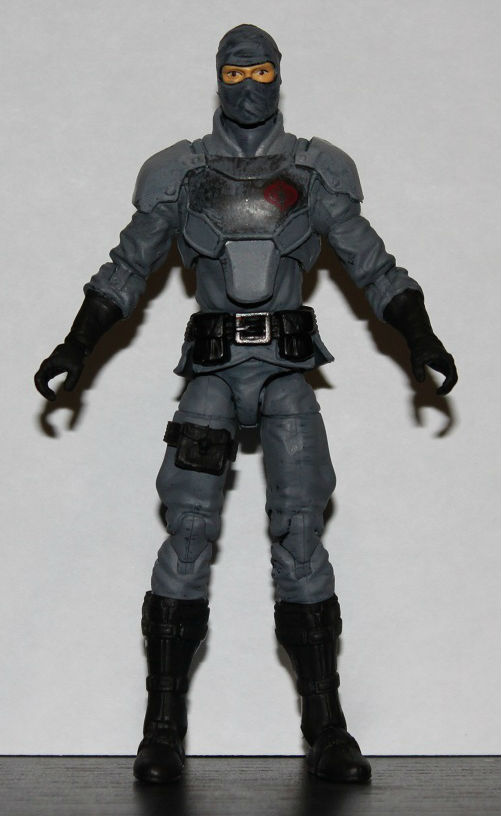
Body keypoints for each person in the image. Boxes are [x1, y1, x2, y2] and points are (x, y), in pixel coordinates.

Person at [35, 24, 457, 784]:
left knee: (301, 537)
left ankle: (326, 727)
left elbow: (373, 265)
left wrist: (419, 336)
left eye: (261, 71)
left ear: (278, 76)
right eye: (236, 73)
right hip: (212, 373)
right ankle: (162, 730)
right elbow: (127, 267)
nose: (249, 86)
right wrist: (76, 345)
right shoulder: (179, 175)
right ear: (218, 79)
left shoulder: (315, 173)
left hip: (287, 373)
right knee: (188, 534)